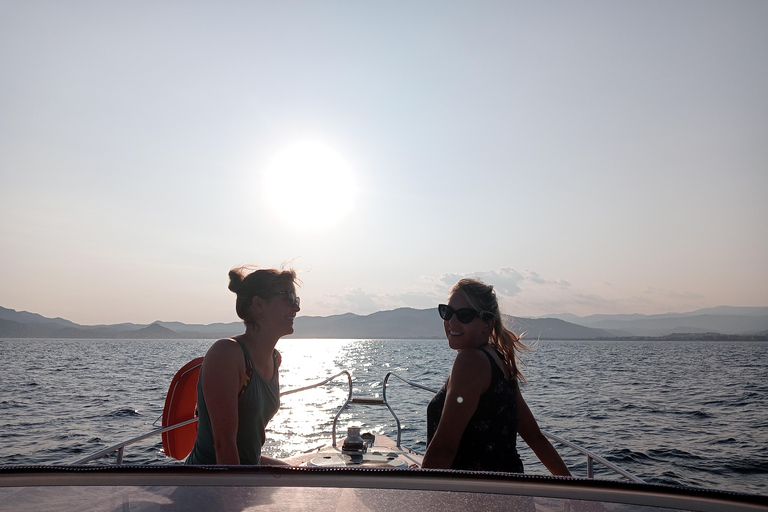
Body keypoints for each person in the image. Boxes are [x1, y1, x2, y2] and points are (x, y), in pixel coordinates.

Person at [422, 278, 571, 475]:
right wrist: (574, 486)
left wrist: (419, 489)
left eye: (464, 315)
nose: (452, 322)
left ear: (487, 324)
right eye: (446, 312)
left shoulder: (471, 361)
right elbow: (535, 438)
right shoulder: (499, 360)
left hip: (475, 497)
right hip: (510, 493)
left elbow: (444, 449)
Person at [185, 266, 300, 465]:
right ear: (258, 305)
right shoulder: (227, 354)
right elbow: (224, 446)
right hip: (207, 481)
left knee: (304, 481)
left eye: (296, 300)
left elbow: (249, 453)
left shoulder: (274, 359)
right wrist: (240, 496)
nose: (296, 308)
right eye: (288, 298)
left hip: (244, 473)